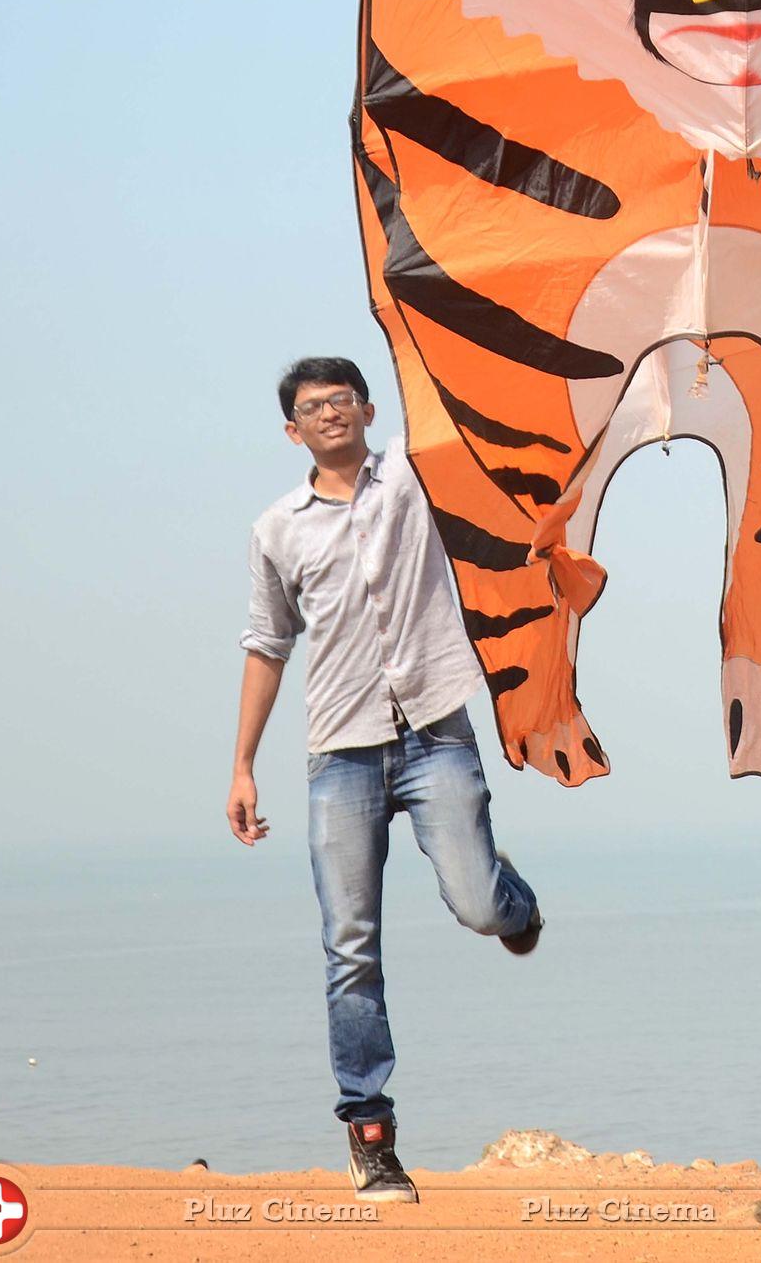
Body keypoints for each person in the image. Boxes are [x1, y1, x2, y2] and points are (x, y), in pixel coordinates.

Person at [227, 356, 541, 1204]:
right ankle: (371, 1134)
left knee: (480, 905)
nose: (329, 413)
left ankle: (512, 892)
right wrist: (243, 763)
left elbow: (462, 379)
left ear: (367, 408)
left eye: (342, 399)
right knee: (350, 945)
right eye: (310, 407)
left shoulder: (413, 472)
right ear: (292, 430)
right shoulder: (277, 529)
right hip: (341, 752)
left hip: (436, 729)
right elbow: (267, 645)